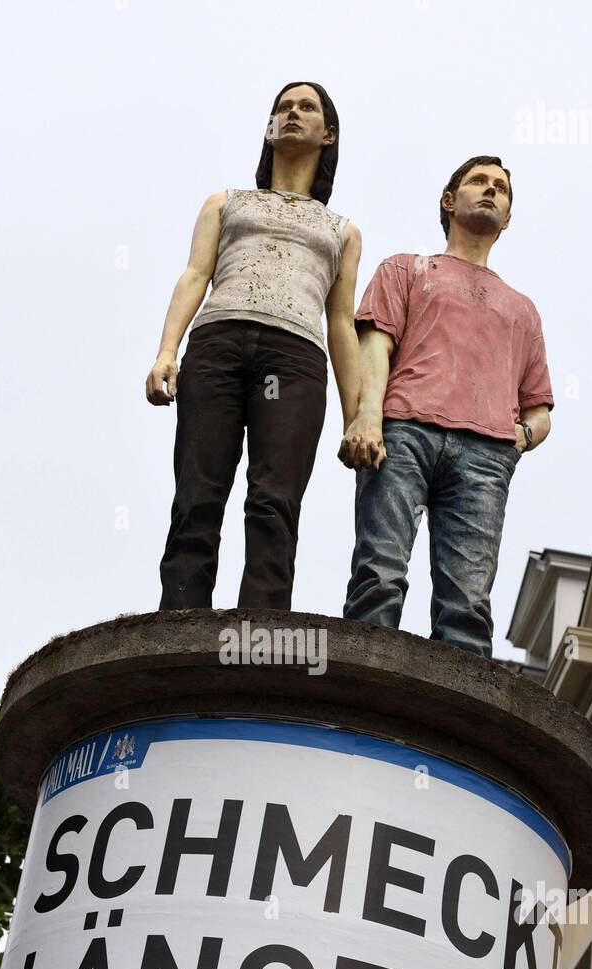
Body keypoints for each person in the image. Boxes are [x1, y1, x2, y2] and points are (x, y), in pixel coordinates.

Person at [147, 81, 362, 611]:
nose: (292, 113)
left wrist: (357, 416)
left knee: (274, 500)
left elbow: (340, 321)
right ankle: (178, 622)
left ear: (328, 133)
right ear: (269, 127)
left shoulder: (343, 231)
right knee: (198, 492)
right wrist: (165, 352)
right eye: (283, 107)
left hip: (295, 358)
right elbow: (196, 274)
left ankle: (260, 635)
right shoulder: (225, 203)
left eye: (306, 107)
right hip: (218, 343)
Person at [339, 155, 553, 657]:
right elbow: (375, 347)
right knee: (379, 574)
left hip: (486, 456)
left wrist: (518, 438)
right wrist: (367, 418)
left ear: (509, 217)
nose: (491, 191)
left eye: (501, 188)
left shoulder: (522, 309)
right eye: (478, 182)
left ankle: (454, 730)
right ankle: (360, 696)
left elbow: (539, 408)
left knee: (469, 605)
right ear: (449, 200)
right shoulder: (406, 269)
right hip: (402, 433)